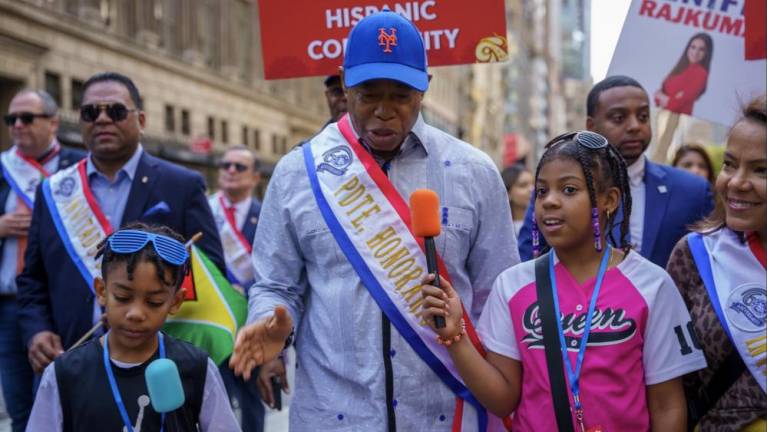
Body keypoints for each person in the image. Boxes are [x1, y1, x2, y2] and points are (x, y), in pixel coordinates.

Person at [230, 10, 519, 431]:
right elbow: (276, 283)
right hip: (334, 414)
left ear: (425, 89)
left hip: (444, 412)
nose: (384, 112)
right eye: (369, 94)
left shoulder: (473, 172)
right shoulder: (299, 172)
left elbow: (498, 296)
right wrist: (269, 325)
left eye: (400, 95)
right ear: (346, 85)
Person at [422, 131, 707, 431]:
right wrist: (456, 337)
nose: (550, 202)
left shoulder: (654, 286)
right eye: (542, 191)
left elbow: (667, 405)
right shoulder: (512, 286)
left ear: (610, 200)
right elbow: (503, 399)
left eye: (569, 190)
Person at [17, 71, 225, 377]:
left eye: (115, 111)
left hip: (157, 364)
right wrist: (37, 331)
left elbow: (209, 272)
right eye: (90, 112)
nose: (102, 120)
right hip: (71, 358)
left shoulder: (181, 185)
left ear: (141, 120)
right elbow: (32, 278)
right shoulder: (53, 191)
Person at [25, 223, 240, 431]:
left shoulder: (197, 367)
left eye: (154, 302)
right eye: (123, 297)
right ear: (101, 291)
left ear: (175, 302)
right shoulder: (64, 374)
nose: (136, 313)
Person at [518, 75, 714, 267]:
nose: (635, 126)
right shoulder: (555, 191)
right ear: (591, 127)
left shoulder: (693, 191)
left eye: (643, 116)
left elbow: (709, 268)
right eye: (619, 118)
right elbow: (530, 259)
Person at [666, 95, 767, 431]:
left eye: (761, 170)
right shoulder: (695, 256)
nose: (736, 182)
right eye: (729, 164)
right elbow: (670, 385)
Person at [0, 90, 84, 432]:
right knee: (20, 406)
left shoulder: (79, 167)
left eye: (27, 117)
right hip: (8, 306)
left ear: (53, 122)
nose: (17, 125)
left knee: (58, 403)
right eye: (11, 119)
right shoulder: (4, 168)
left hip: (59, 305)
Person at [209, 144, 264, 432]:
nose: (230, 171)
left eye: (239, 167)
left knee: (251, 399)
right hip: (213, 321)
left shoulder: (267, 214)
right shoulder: (206, 210)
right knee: (215, 399)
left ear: (255, 177)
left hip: (251, 323)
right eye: (225, 165)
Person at [654, 33, 714, 115]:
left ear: (706, 53)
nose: (695, 52)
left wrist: (663, 97)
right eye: (693, 47)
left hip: (678, 120)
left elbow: (674, 105)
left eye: (701, 49)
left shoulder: (701, 74)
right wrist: (667, 98)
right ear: (688, 48)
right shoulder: (680, 67)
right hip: (660, 115)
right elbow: (657, 96)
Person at [501, 164, 533, 235]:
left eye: (534, 184)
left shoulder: (543, 224)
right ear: (508, 193)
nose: (532, 189)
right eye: (523, 185)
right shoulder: (500, 229)